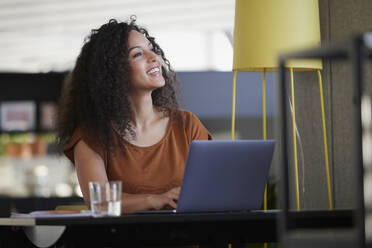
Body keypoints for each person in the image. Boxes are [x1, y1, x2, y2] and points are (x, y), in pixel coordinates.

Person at [56, 17, 212, 214]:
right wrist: (154, 200)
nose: (154, 57)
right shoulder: (91, 136)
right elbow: (100, 203)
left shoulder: (187, 124)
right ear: (113, 72)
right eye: (138, 54)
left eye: (151, 49)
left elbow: (210, 190)